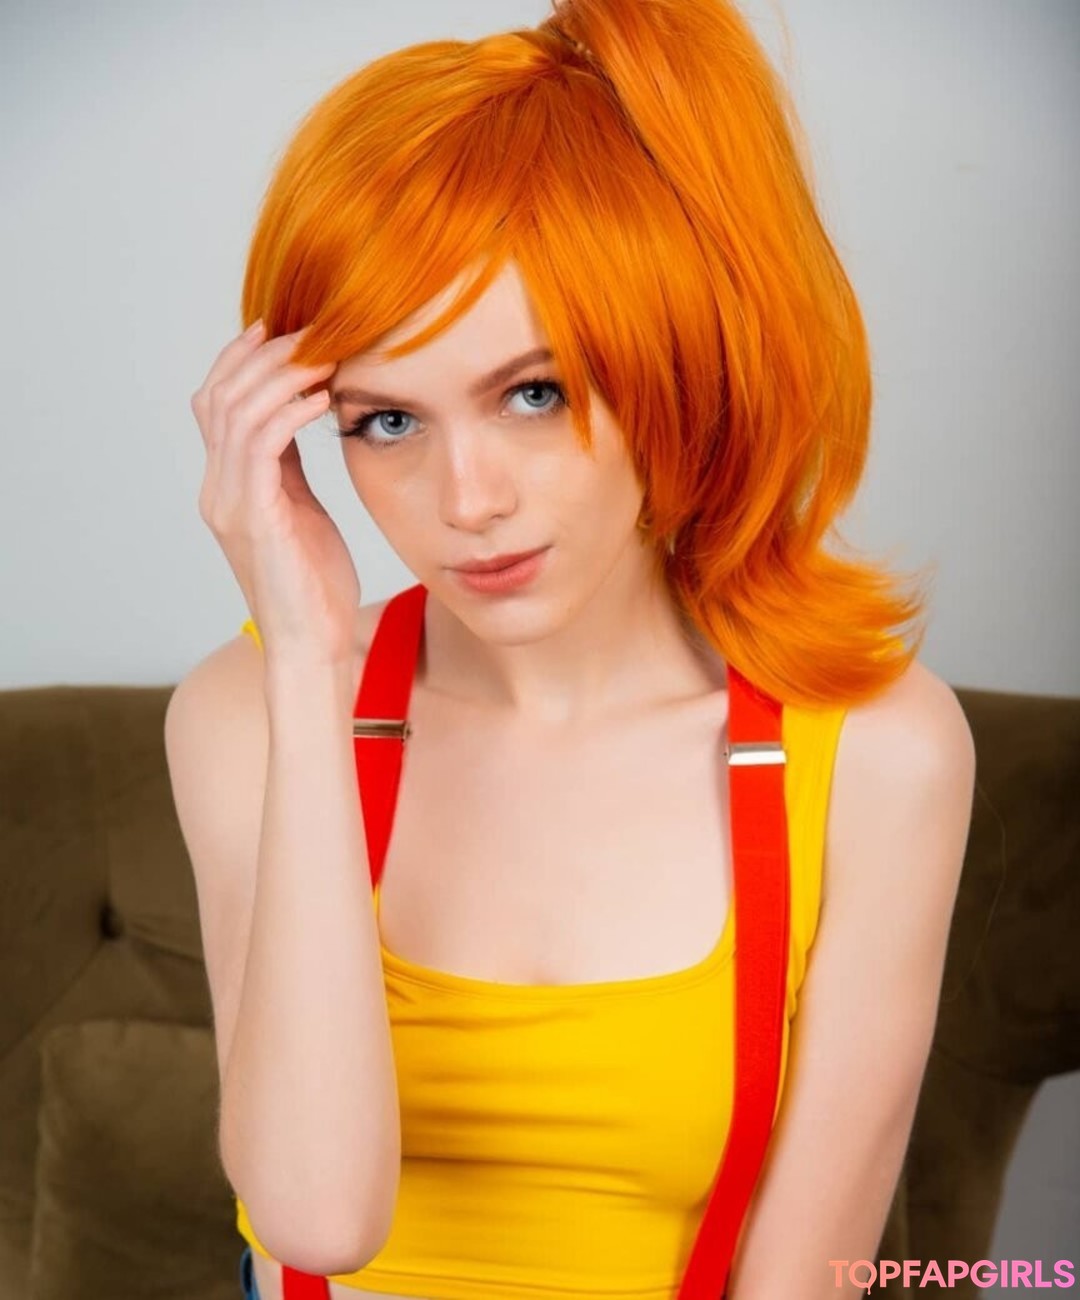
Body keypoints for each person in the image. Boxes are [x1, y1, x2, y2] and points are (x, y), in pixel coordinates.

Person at [165, 1, 977, 1297]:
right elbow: (313, 1222)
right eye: (385, 422)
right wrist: (310, 671)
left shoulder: (878, 753)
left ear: (675, 368)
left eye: (533, 393)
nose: (466, 499)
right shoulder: (251, 710)